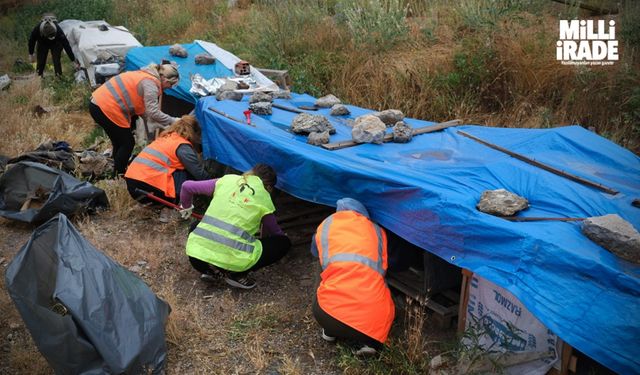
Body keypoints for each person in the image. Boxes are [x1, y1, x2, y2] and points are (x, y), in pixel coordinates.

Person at [181, 164, 291, 289]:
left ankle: (211, 271)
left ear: (251, 173)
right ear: (269, 187)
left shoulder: (226, 180)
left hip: (197, 260)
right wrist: (271, 240)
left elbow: (186, 186)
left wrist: (186, 207)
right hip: (234, 263)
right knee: (283, 243)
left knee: (197, 225)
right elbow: (274, 231)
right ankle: (237, 275)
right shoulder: (264, 198)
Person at [310, 198, 395, 356]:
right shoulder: (378, 231)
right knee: (375, 274)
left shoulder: (326, 225)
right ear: (364, 215)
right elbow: (384, 267)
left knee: (324, 263)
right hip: (374, 325)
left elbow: (314, 251)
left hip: (328, 315)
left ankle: (330, 331)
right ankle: (370, 344)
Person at [89, 62, 180, 176]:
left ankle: (116, 171)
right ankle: (120, 174)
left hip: (97, 103)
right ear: (166, 81)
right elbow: (153, 112)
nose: (169, 88)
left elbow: (146, 113)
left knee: (119, 142)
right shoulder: (151, 84)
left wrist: (156, 128)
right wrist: (174, 120)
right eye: (171, 85)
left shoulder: (145, 74)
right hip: (106, 107)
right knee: (128, 143)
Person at [124, 114, 210, 220]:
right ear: (195, 133)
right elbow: (199, 174)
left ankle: (156, 206)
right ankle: (174, 208)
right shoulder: (182, 146)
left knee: (177, 168)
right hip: (147, 187)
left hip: (132, 183)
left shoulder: (166, 138)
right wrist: (216, 183)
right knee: (186, 173)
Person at [28, 13, 78, 77]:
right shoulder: (37, 30)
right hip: (42, 43)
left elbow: (66, 45)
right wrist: (31, 54)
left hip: (56, 43)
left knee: (56, 60)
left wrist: (73, 60)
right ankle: (39, 76)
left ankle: (59, 77)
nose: (51, 38)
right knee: (41, 61)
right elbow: (31, 41)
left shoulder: (58, 31)